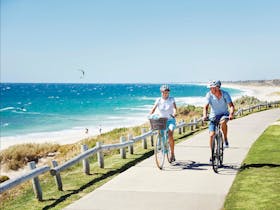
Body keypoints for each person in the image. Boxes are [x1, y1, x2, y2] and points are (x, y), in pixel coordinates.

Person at [203, 80, 235, 162]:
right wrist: (205, 115)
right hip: (213, 116)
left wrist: (231, 114)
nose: (211, 90)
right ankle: (212, 154)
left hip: (224, 114)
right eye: (210, 88)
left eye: (212, 88)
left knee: (223, 122)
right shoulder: (209, 95)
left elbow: (231, 106)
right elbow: (205, 107)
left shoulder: (225, 94)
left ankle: (225, 138)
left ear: (217, 88)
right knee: (211, 135)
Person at [150, 84, 177, 162]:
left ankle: (172, 153)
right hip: (162, 120)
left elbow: (175, 108)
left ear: (168, 92)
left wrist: (174, 113)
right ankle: (164, 148)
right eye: (163, 92)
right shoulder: (158, 100)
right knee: (162, 136)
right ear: (161, 92)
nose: (165, 94)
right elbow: (153, 109)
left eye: (167, 92)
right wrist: (150, 115)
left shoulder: (171, 99)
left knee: (170, 133)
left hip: (170, 119)